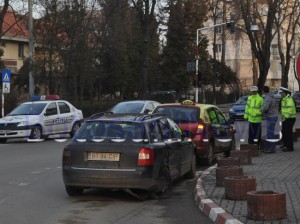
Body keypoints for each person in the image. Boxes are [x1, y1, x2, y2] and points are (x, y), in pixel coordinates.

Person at [260, 86, 278, 153]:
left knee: (270, 133)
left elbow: (265, 107)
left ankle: (272, 149)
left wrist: (259, 111)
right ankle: (268, 148)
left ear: (263, 91)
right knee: (269, 132)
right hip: (273, 116)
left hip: (271, 117)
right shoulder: (271, 96)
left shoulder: (268, 98)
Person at [279, 87, 296, 152]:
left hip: (290, 118)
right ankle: (285, 144)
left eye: (282, 93)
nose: (281, 94)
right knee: (284, 131)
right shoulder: (284, 99)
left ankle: (290, 147)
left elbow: (290, 109)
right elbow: (283, 108)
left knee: (288, 133)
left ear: (285, 93)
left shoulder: (289, 99)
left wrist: (286, 116)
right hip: (285, 118)